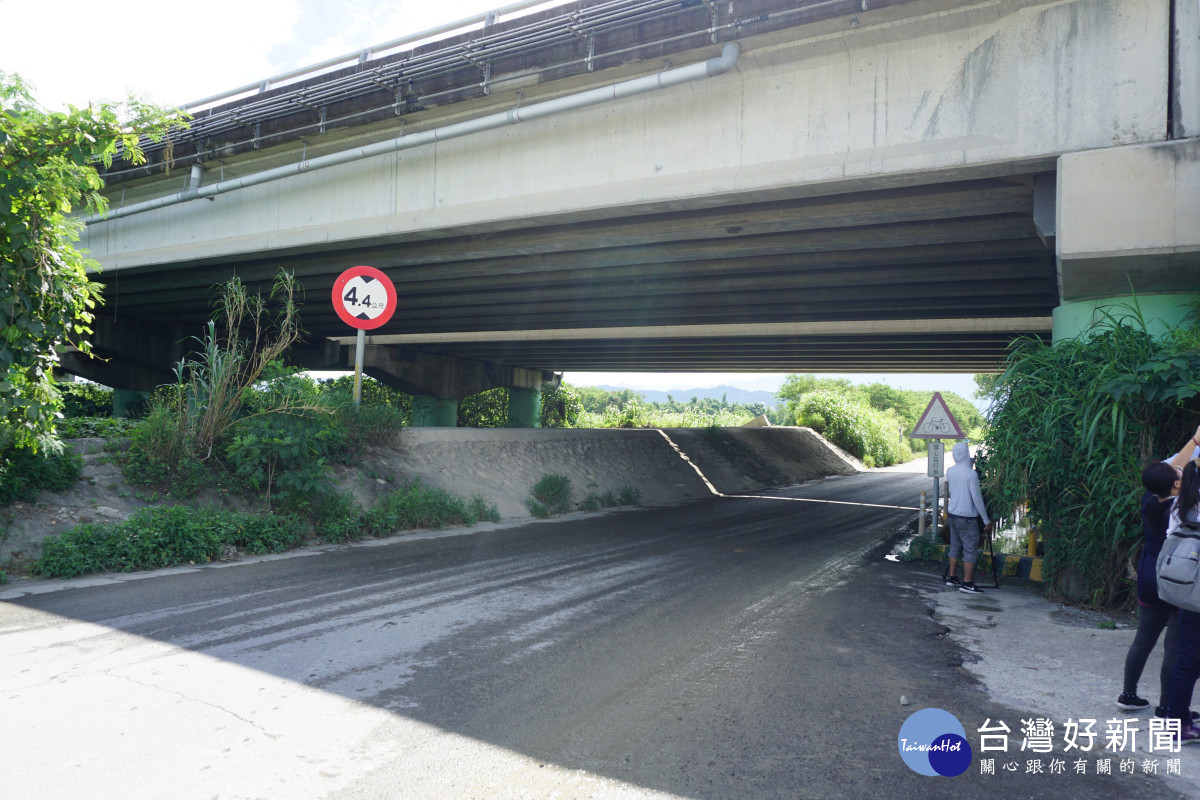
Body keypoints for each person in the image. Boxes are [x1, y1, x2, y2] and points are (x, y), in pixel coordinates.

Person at [1116, 426, 1200, 714]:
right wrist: (1196, 441)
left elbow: (1171, 469)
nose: (1180, 471)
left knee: (1143, 639)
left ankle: (1128, 694)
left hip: (1149, 578)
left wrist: (1195, 441)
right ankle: (1167, 706)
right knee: (1173, 648)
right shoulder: (1185, 507)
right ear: (1176, 485)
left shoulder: (1150, 500)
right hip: (1176, 579)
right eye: (1178, 474)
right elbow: (1177, 468)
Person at [1164, 433, 1200, 745]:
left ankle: (1178, 717)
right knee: (1189, 661)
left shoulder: (1180, 506)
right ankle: (1179, 721)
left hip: (1189, 594)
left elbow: (1171, 468)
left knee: (1186, 658)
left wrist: (1194, 442)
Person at [944, 441, 994, 594]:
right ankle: (967, 583)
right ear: (967, 455)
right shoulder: (971, 475)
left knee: (954, 547)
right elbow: (977, 498)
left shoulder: (950, 471)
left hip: (952, 517)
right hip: (967, 519)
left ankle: (951, 578)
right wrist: (986, 520)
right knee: (970, 550)